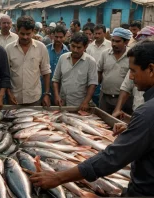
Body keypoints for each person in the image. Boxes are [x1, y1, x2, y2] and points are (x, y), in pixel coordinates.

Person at [30, 40, 154, 197]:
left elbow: (112, 158)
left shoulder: (147, 113)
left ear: (151, 69)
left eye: (134, 71)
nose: (130, 76)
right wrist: (135, 130)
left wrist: (58, 177)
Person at [5, 16, 51, 106]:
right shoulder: (8, 49)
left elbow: (46, 72)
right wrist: (9, 93)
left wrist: (46, 94)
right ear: (17, 30)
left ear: (33, 31)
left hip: (34, 98)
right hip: (14, 99)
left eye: (28, 34)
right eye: (22, 34)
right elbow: (5, 74)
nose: (25, 37)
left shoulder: (41, 48)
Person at [112, 29, 154, 118]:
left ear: (151, 69)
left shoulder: (147, 111)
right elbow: (126, 87)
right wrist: (118, 109)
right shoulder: (136, 63)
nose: (131, 76)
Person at [52, 33, 98, 110]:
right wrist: (57, 96)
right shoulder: (63, 58)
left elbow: (92, 84)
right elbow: (55, 80)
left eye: (79, 47)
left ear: (85, 46)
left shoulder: (90, 61)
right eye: (73, 46)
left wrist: (85, 102)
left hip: (80, 105)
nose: (75, 50)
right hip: (63, 103)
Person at [98, 27, 132, 114]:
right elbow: (99, 71)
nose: (114, 44)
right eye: (113, 41)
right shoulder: (105, 54)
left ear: (126, 42)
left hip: (124, 99)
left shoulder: (131, 56)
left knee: (120, 124)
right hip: (105, 97)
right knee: (103, 123)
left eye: (117, 41)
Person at [86, 24, 112, 106]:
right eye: (95, 33)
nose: (97, 36)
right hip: (92, 77)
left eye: (99, 33)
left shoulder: (110, 45)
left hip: (106, 77)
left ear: (104, 33)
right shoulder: (89, 47)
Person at [44, 25, 69, 104]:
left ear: (65, 37)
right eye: (56, 37)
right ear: (52, 36)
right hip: (45, 88)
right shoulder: (45, 50)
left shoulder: (68, 53)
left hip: (61, 89)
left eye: (61, 37)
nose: (58, 39)